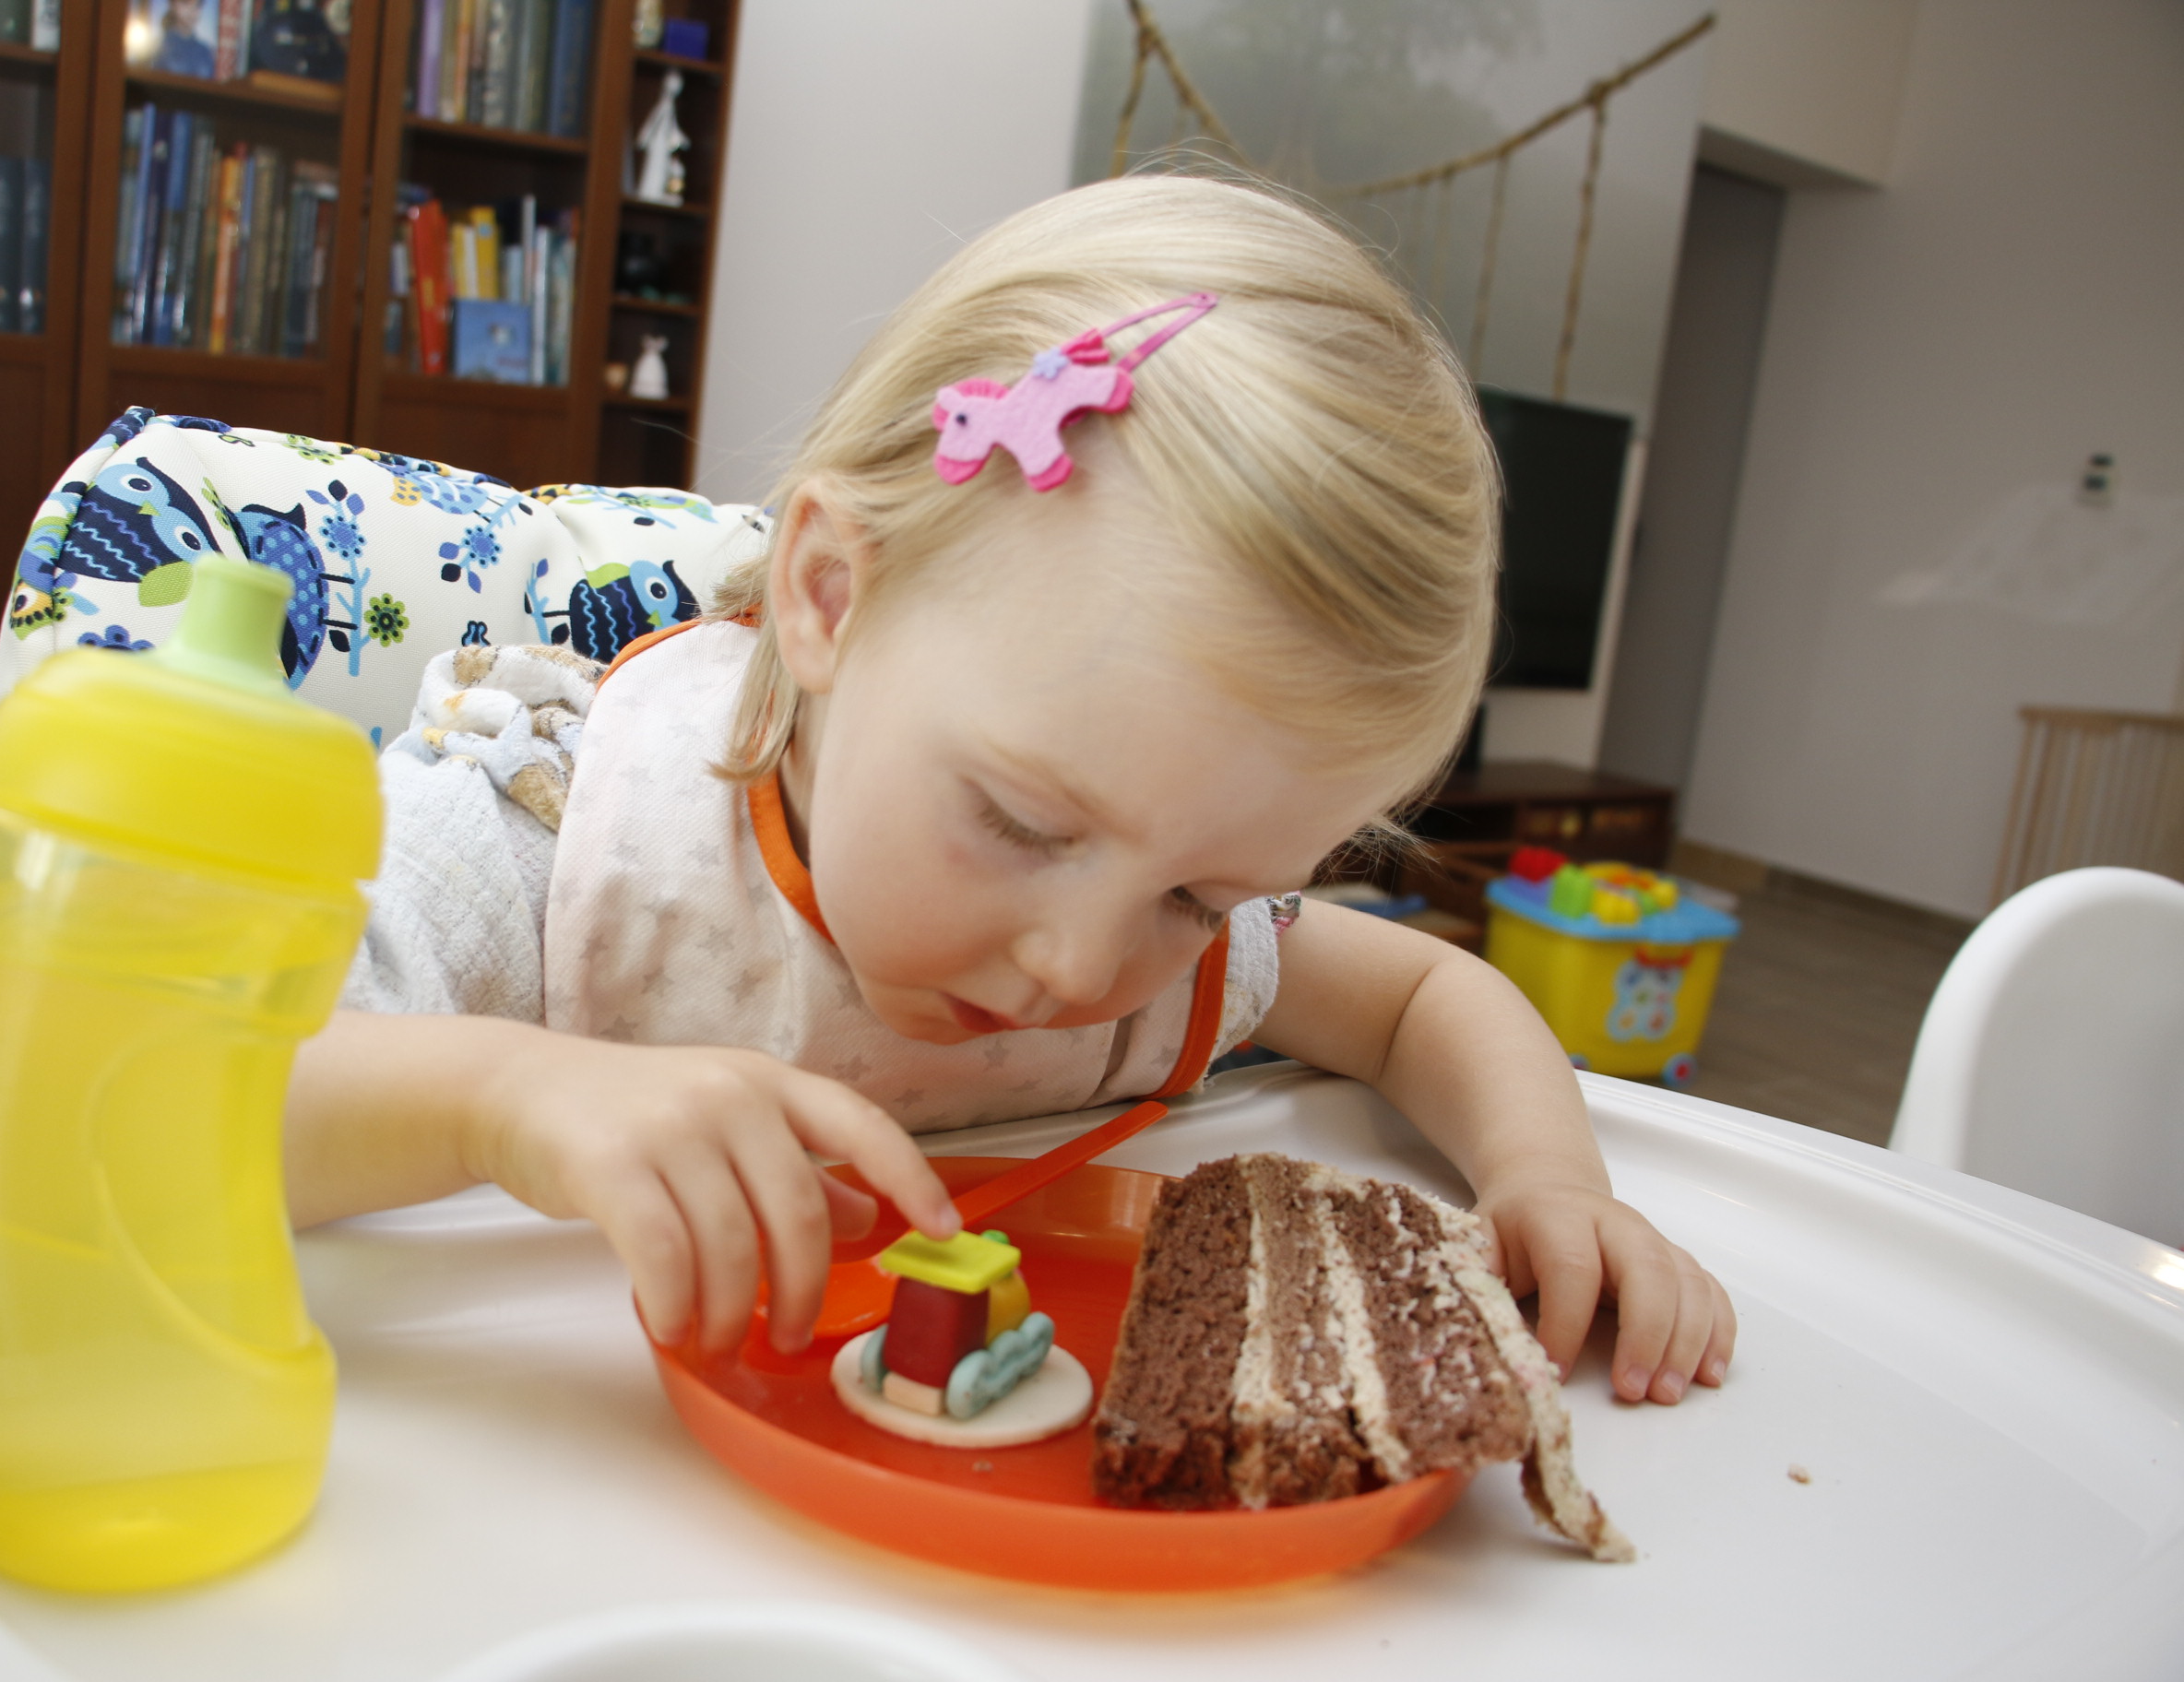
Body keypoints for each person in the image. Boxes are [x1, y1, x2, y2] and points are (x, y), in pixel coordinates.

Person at [284, 174, 1737, 1412]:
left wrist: (1550, 1180)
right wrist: (503, 1099)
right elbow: (185, 1078)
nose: (1085, 970)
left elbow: (1424, 998)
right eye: (1024, 825)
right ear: (830, 595)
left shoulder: (1157, 907)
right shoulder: (552, 832)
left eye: (1201, 898)